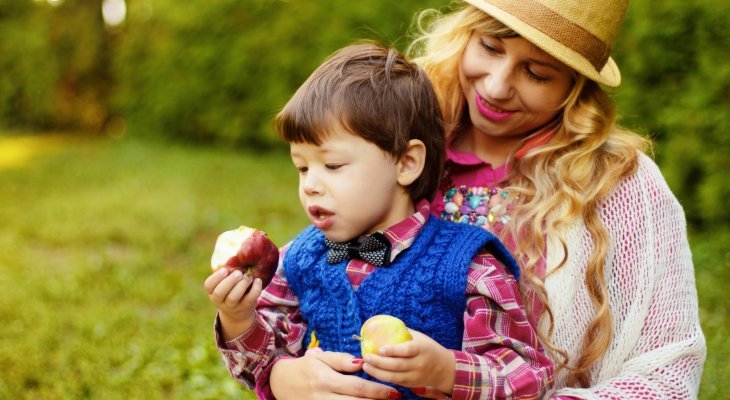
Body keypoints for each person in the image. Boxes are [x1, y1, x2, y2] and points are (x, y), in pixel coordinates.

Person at [263, 0, 707, 399]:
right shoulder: (398, 136)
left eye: (537, 73)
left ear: (575, 87)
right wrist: (282, 377)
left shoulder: (618, 185)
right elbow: (306, 284)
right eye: (491, 48)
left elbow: (665, 375)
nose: (496, 87)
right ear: (465, 34)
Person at [204, 42, 555, 400]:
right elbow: (268, 359)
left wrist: (447, 371)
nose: (310, 185)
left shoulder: (468, 265)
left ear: (406, 163)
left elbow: (529, 375)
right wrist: (239, 318)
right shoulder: (301, 256)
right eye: (302, 167)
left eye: (333, 165)